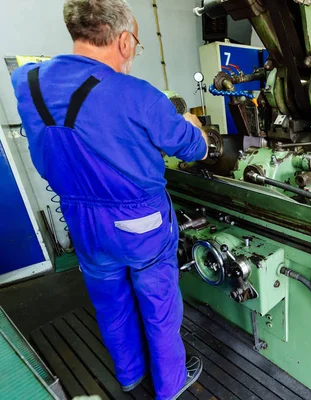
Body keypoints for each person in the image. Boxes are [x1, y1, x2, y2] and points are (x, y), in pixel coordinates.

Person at [11, 0, 207, 398]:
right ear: (122, 41)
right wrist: (193, 126)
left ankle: (129, 374)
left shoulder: (27, 82)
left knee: (110, 301)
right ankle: (169, 385)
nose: (134, 50)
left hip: (80, 219)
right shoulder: (137, 95)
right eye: (136, 42)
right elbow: (194, 150)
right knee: (159, 306)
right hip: (141, 223)